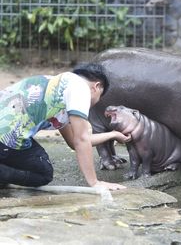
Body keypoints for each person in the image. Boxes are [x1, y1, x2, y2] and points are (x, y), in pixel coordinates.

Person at [0, 63, 131, 190]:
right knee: (43, 173)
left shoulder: (61, 87)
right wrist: (94, 182)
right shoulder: (81, 89)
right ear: (96, 87)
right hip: (5, 138)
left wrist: (113, 134)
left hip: (4, 136)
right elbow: (81, 140)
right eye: (99, 97)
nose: (96, 102)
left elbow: (74, 142)